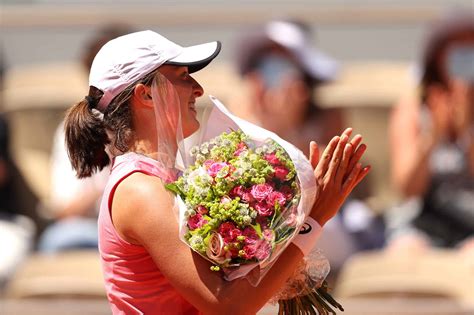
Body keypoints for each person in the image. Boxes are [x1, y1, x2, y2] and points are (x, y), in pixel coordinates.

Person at [64, 30, 369, 314]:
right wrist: (313, 219)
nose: (198, 89)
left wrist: (291, 216)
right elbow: (227, 306)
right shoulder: (140, 189)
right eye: (184, 76)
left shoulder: (158, 178)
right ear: (146, 95)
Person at [232, 19, 383, 273]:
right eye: (267, 62)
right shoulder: (239, 109)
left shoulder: (328, 116)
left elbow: (324, 179)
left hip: (321, 222)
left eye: (284, 62)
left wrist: (287, 127)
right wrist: (265, 125)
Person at [38, 24, 134, 252]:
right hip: (91, 230)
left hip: (149, 229)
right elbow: (65, 211)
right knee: (64, 239)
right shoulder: (77, 127)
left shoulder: (168, 121)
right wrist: (111, 178)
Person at [388, 11, 474, 251]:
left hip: (469, 226)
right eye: (457, 47)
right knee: (405, 251)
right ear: (437, 56)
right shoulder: (412, 110)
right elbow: (407, 189)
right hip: (421, 224)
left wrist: (466, 131)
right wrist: (431, 137)